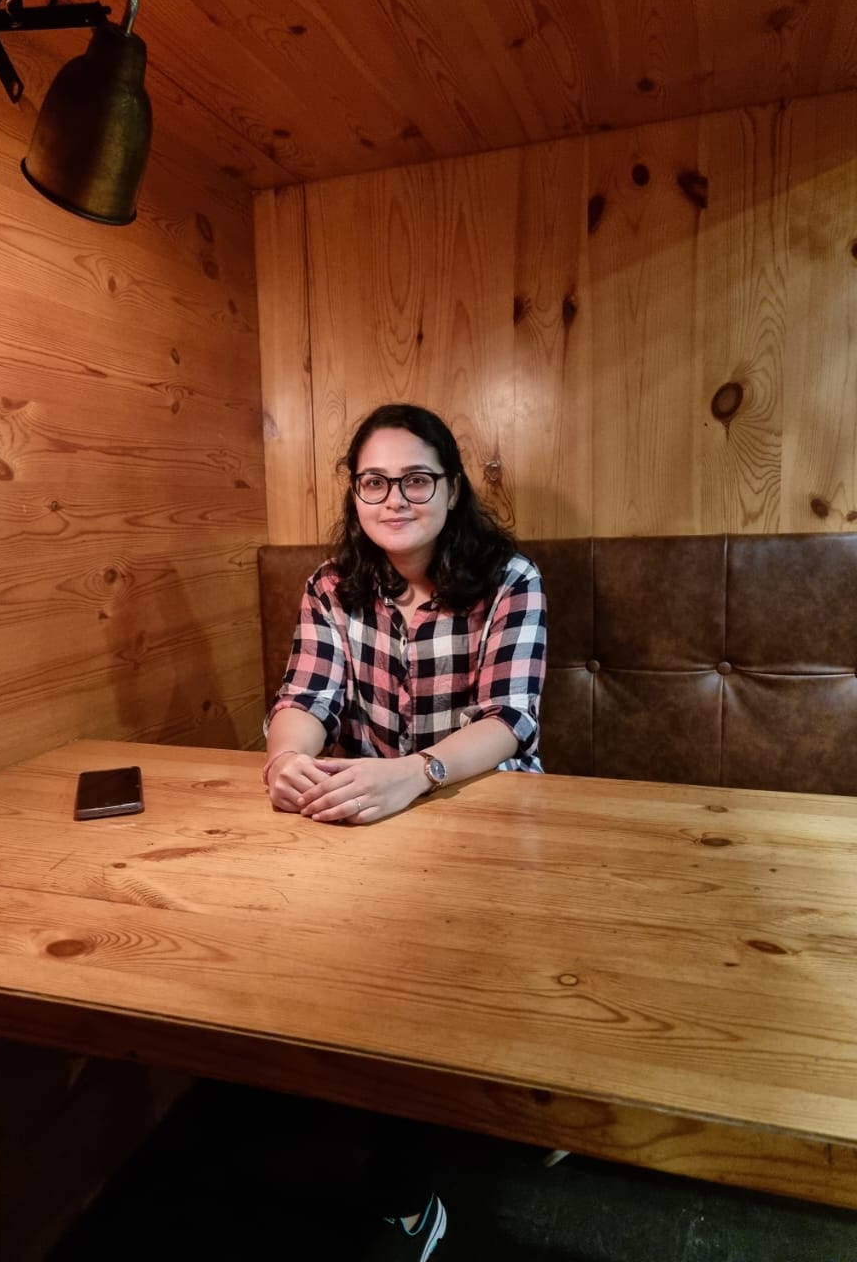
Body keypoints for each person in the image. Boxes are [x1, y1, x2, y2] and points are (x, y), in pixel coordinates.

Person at [261, 403, 547, 1260]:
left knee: (435, 971)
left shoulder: (510, 578)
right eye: (374, 481)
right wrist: (285, 759)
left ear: (452, 489)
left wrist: (414, 773)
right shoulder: (331, 585)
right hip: (371, 817)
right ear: (354, 494)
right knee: (351, 967)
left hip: (487, 808)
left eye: (417, 479)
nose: (395, 498)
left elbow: (509, 721)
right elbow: (305, 697)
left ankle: (423, 1182)